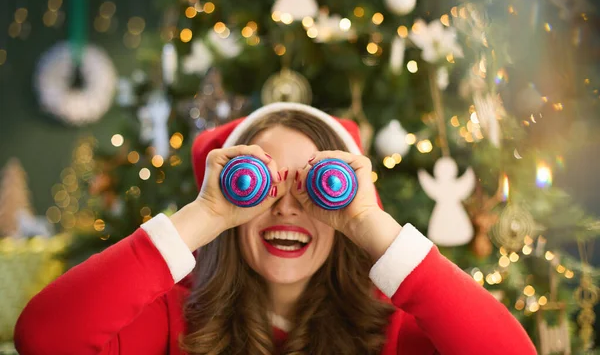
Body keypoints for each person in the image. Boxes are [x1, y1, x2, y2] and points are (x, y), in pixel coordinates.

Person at [15, 102, 537, 354]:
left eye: (313, 186)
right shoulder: (174, 322)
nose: (287, 209)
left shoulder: (389, 332)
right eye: (262, 186)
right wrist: (208, 215)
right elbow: (43, 338)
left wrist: (365, 220)